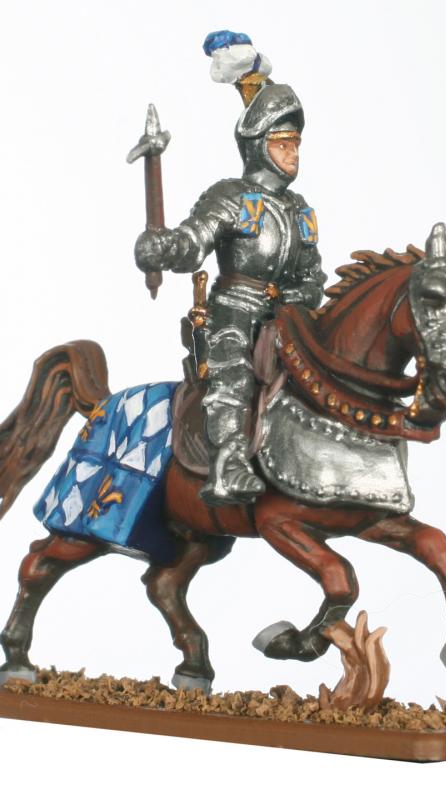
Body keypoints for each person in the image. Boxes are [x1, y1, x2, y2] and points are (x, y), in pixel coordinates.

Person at [134, 37, 325, 507]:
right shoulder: (232, 197)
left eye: (295, 144)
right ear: (260, 147)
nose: (293, 153)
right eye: (282, 144)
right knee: (233, 371)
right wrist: (162, 247)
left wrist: (300, 303)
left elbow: (312, 275)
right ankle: (229, 464)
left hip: (288, 318)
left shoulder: (300, 210)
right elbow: (191, 243)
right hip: (234, 310)